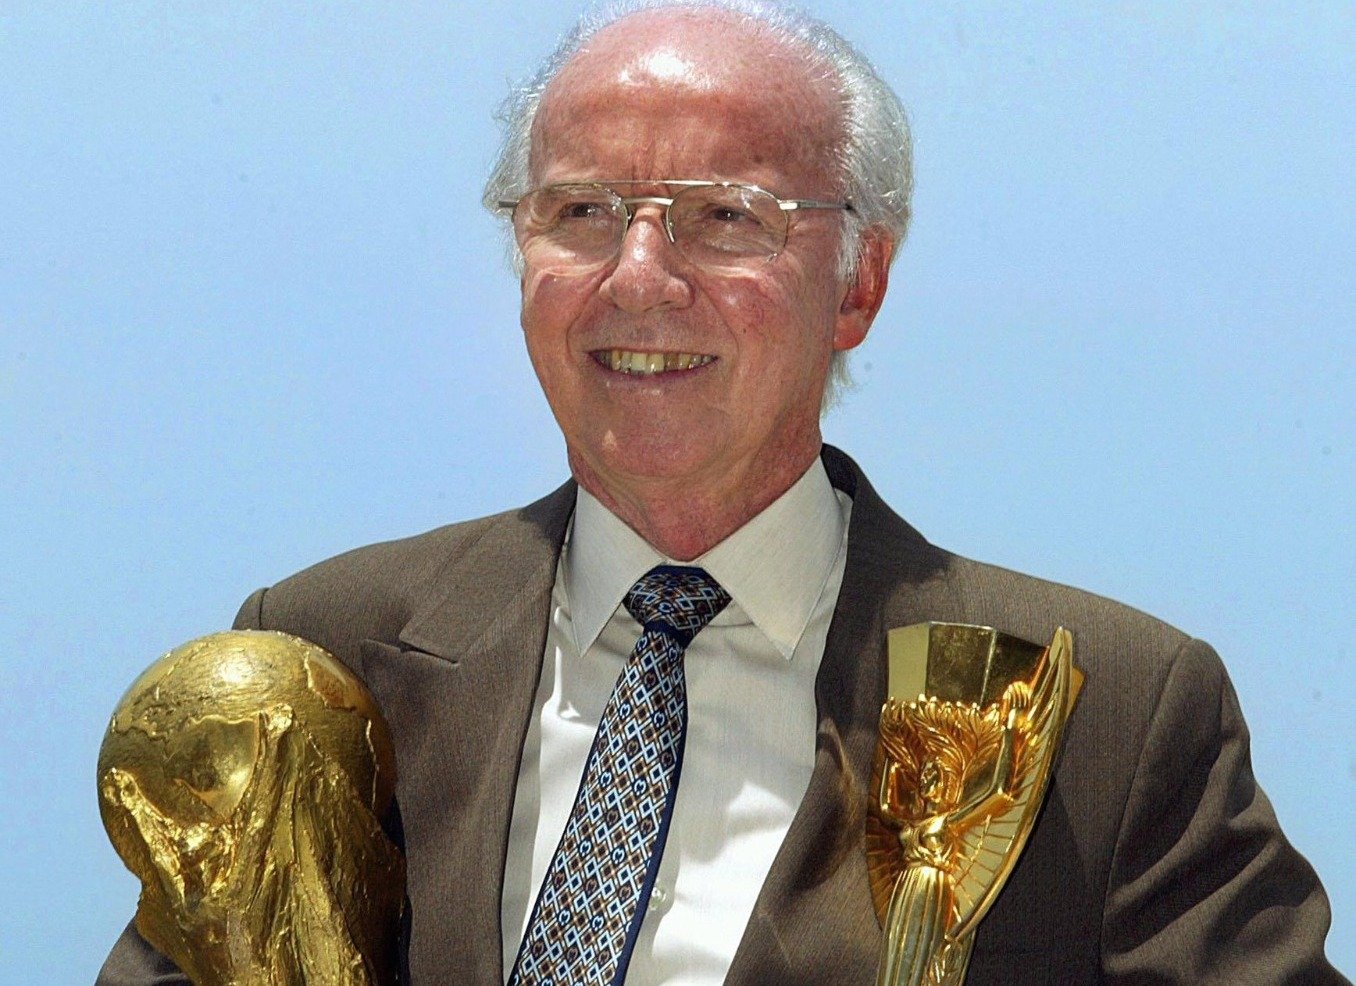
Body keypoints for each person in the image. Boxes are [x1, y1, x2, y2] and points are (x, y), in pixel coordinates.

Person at [98, 1, 1348, 983]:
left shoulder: (1115, 714)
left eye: (722, 217)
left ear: (859, 280)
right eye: (580, 210)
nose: (638, 276)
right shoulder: (324, 654)